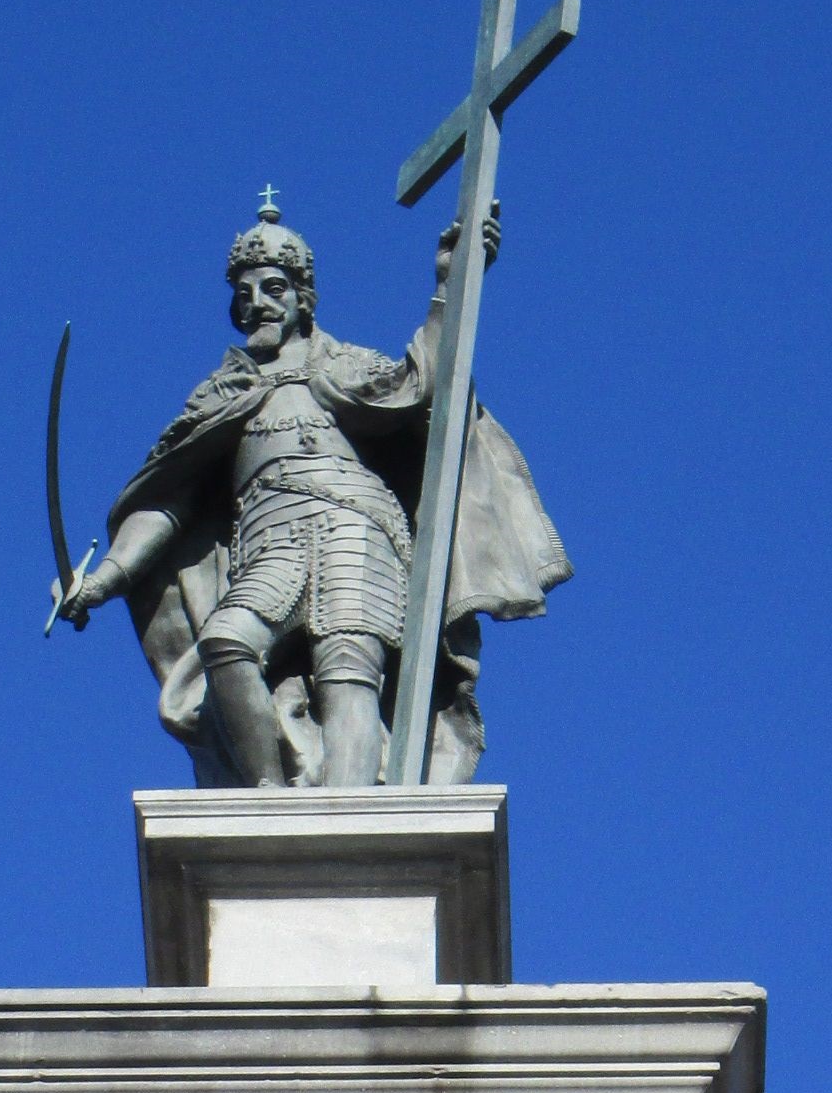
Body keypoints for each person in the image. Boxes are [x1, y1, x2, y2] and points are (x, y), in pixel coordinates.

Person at [58, 195, 569, 790]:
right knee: (225, 643)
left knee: (347, 672)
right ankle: (268, 795)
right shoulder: (222, 392)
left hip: (355, 526)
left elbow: (425, 383)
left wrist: (449, 285)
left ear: (303, 298)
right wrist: (103, 581)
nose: (257, 303)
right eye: (244, 294)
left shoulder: (345, 365)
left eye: (273, 288)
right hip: (268, 541)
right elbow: (166, 503)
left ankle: (350, 809)